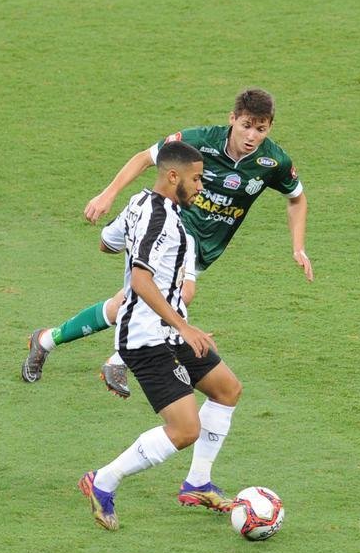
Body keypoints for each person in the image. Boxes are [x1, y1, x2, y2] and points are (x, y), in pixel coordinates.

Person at [22, 88, 312, 396]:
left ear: (270, 127)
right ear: (232, 119)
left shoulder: (273, 161)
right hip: (171, 230)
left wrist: (298, 246)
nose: (252, 135)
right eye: (246, 126)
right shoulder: (199, 141)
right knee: (181, 293)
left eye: (261, 129)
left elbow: (297, 199)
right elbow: (145, 158)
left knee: (127, 301)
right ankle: (119, 360)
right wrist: (107, 194)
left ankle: (45, 340)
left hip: (204, 250)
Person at [79, 141, 244, 530]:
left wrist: (184, 326)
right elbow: (140, 278)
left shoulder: (139, 203)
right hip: (146, 338)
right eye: (197, 178)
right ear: (174, 177)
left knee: (227, 389)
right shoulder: (161, 220)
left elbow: (108, 242)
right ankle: (103, 482)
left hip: (170, 332)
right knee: (185, 429)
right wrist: (183, 326)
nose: (201, 187)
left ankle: (197, 482)